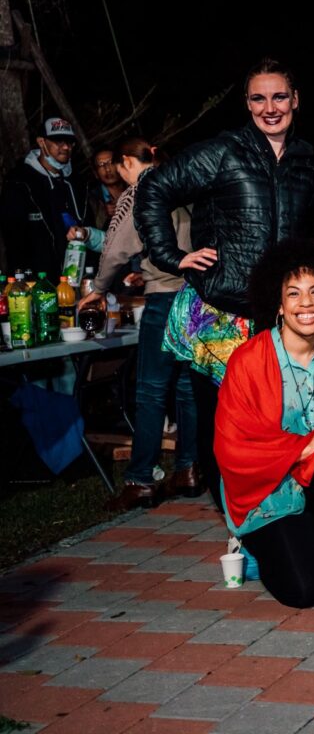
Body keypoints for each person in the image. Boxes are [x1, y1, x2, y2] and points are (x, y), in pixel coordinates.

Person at [136, 58, 314, 505]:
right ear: (247, 104)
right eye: (258, 98)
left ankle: (273, 513)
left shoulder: (305, 158)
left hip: (280, 316)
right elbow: (152, 189)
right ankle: (239, 524)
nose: (270, 107)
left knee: (279, 423)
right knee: (224, 429)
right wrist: (172, 256)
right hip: (222, 314)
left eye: (279, 97)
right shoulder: (223, 151)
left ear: (295, 100)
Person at [215, 241, 314, 608]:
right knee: (305, 591)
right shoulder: (248, 361)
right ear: (279, 305)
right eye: (294, 294)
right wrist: (310, 443)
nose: (306, 303)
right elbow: (232, 448)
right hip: (267, 490)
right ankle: (252, 542)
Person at [78, 139, 197, 511]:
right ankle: (189, 468)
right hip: (193, 296)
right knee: (186, 388)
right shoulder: (183, 183)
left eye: (120, 167)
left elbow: (116, 246)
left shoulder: (139, 191)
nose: (120, 176)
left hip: (163, 297)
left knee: (149, 391)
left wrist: (97, 289)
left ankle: (140, 479)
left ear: (129, 161)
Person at [1, 117, 90, 277]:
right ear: (41, 142)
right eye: (58, 141)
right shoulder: (20, 181)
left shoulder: (77, 180)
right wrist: (21, 277)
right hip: (39, 278)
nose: (65, 147)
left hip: (79, 274)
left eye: (70, 142)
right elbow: (14, 238)